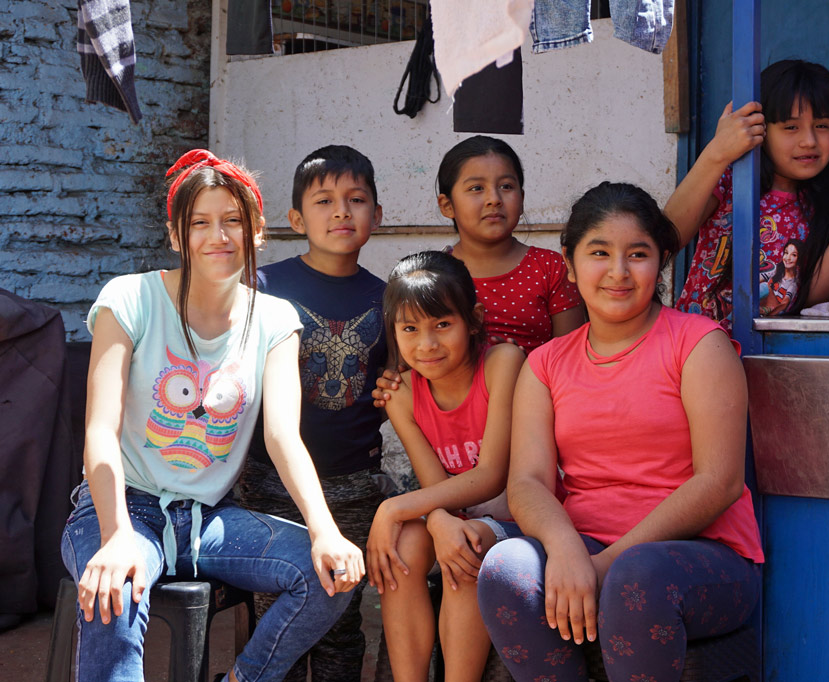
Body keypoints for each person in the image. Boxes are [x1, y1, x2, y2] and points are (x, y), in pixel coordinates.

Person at [60, 150, 363, 682]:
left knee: (327, 576)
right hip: (122, 506)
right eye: (200, 223)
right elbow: (99, 429)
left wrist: (325, 531)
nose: (217, 237)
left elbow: (283, 436)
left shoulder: (275, 319)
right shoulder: (128, 300)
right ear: (177, 236)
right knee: (117, 590)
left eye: (232, 222)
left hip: (208, 521)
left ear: (256, 232)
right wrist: (114, 537)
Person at [477, 182, 764, 682]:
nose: (618, 272)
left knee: (637, 579)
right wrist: (567, 548)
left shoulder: (698, 346)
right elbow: (527, 482)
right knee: (506, 568)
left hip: (702, 559)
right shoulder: (545, 364)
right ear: (569, 263)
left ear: (660, 262)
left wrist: (606, 566)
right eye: (599, 253)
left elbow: (719, 481)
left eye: (638, 254)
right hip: (585, 545)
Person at [238, 145, 389, 682]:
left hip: (353, 484)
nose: (342, 212)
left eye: (356, 199)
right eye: (324, 201)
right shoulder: (263, 287)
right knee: (281, 620)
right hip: (269, 484)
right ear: (297, 218)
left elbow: (399, 378)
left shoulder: (388, 299)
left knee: (341, 620)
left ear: (377, 214)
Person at [367, 251, 525, 682]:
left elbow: (492, 473)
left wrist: (394, 508)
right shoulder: (402, 395)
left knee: (465, 551)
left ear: (472, 320)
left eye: (442, 324)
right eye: (410, 329)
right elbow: (434, 482)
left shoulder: (502, 364)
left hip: (519, 520)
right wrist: (436, 522)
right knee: (403, 550)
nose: (427, 344)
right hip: (458, 513)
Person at [667, 59, 829, 332]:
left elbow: (812, 298)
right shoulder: (730, 179)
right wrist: (716, 153)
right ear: (762, 131)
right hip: (696, 347)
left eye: (822, 125)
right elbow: (668, 235)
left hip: (773, 353)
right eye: (791, 127)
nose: (810, 141)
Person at [437, 135, 584, 350]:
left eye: (506, 186)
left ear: (522, 199)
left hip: (539, 383)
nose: (494, 198)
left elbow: (569, 356)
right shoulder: (432, 274)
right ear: (447, 205)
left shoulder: (551, 268)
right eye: (477, 188)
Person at [760, 238, 801, 315]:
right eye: (786, 253)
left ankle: (742, 301)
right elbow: (760, 278)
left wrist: (770, 313)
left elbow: (784, 304)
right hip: (764, 304)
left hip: (775, 310)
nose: (788, 258)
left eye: (794, 255)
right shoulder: (777, 270)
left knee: (765, 286)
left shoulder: (793, 284)